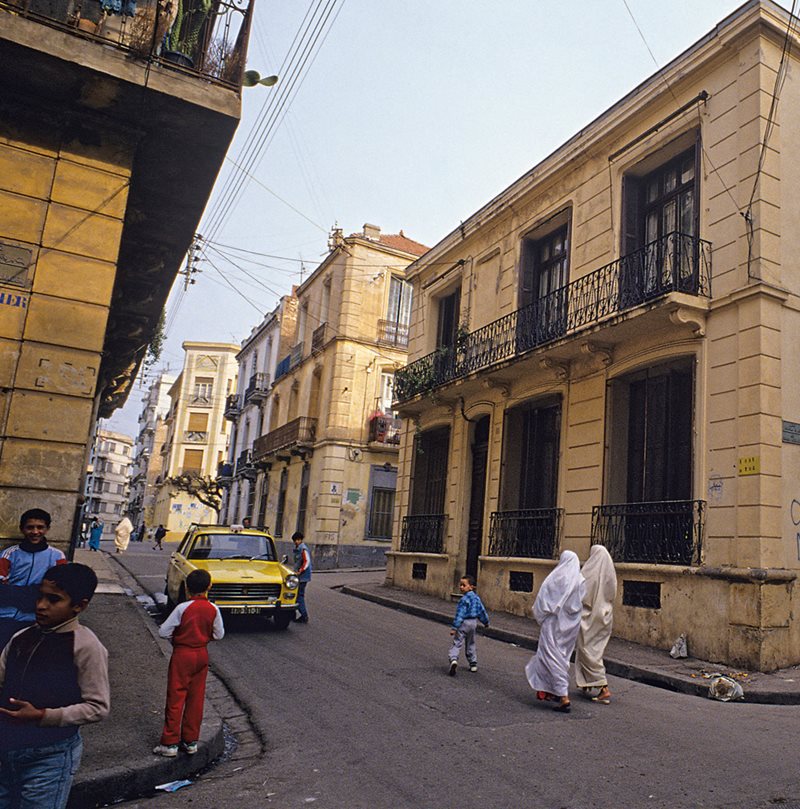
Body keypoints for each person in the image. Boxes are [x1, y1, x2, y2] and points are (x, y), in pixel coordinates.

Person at [0, 563, 110, 809]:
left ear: (79, 606)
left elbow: (98, 707)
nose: (41, 605)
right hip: (7, 749)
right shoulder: (21, 637)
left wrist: (43, 715)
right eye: (40, 596)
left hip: (50, 756)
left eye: (54, 600)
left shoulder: (86, 646)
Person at [153, 568, 224, 757]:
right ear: (209, 586)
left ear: (187, 587)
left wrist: (180, 635)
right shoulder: (213, 609)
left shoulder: (182, 608)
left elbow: (163, 632)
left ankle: (170, 742)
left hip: (182, 654)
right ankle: (190, 740)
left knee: (176, 697)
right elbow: (219, 634)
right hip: (201, 654)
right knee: (196, 698)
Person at [524, 549, 585, 713]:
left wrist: (540, 613)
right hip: (570, 627)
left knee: (551, 656)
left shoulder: (556, 578)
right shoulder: (580, 580)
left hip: (553, 624)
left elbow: (544, 600)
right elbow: (580, 604)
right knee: (561, 656)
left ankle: (563, 696)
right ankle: (552, 692)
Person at [0, 509, 67, 651]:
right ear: (22, 529)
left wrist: (16, 592)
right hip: (5, 616)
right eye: (30, 527)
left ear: (47, 529)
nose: (35, 532)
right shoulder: (8, 555)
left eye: (40, 527)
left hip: (37, 619)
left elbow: (59, 590)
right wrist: (35, 591)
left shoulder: (57, 556)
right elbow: (1, 590)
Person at [575, 545, 617, 704]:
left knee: (587, 650)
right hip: (605, 615)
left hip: (591, 616)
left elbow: (582, 592)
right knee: (595, 650)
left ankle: (603, 687)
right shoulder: (609, 572)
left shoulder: (590, 571)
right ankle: (587, 683)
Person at [448, 574, 489, 676]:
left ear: (471, 587)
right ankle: (473, 663)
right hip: (473, 623)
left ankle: (453, 659)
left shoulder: (463, 600)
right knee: (471, 643)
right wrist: (486, 622)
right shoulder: (477, 599)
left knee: (457, 642)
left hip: (464, 623)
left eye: (463, 585)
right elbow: (482, 611)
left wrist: (454, 628)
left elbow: (460, 615)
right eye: (460, 585)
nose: (461, 587)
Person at [292, 531, 312, 623]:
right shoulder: (298, 548)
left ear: (301, 540)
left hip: (303, 576)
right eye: (295, 540)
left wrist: (300, 571)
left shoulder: (303, 549)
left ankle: (304, 615)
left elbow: (306, 561)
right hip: (299, 575)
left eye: (298, 540)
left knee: (299, 595)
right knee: (296, 595)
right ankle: (295, 613)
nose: (296, 542)